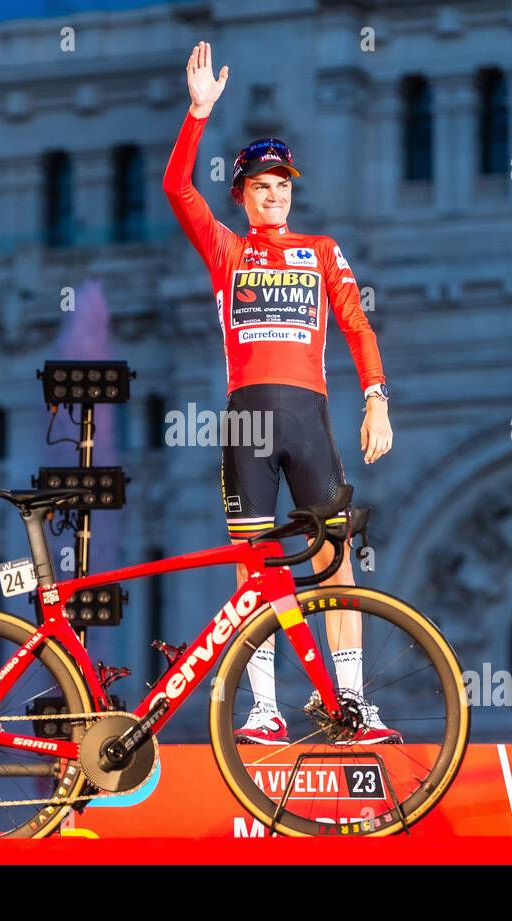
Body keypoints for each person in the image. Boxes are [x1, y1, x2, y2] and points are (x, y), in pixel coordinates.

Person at [163, 42, 398, 744]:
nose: (275, 195)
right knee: (256, 565)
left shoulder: (322, 250)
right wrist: (198, 113)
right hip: (247, 420)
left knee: (335, 562)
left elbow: (356, 323)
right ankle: (262, 707)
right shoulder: (227, 251)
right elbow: (177, 188)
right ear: (240, 195)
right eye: (262, 186)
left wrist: (378, 398)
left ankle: (352, 701)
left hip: (309, 416)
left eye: (284, 186)